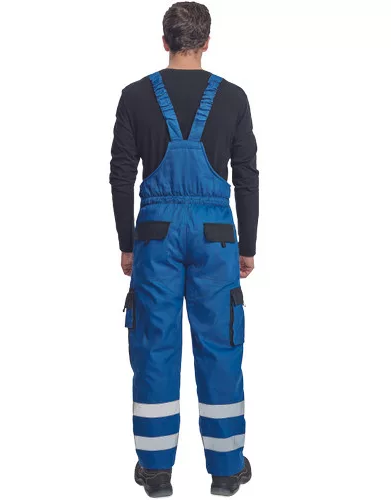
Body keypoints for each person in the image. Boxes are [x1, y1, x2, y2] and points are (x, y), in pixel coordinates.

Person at [110, 2, 258, 496]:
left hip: (155, 234)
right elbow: (247, 177)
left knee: (155, 345)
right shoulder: (233, 97)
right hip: (216, 236)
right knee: (221, 345)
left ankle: (156, 471)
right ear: (207, 42)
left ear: (165, 41)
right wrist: (248, 245)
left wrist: (127, 243)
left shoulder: (135, 96)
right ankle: (226, 469)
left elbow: (121, 176)